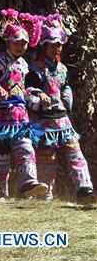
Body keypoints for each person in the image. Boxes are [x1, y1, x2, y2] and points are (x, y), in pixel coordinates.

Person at [26, 13, 96, 204]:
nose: (57, 47)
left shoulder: (63, 69)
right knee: (47, 161)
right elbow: (28, 91)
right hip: (44, 122)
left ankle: (84, 190)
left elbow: (64, 86)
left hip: (63, 121)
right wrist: (39, 96)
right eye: (52, 44)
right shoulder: (34, 69)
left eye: (59, 44)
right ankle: (44, 197)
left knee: (76, 153)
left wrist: (67, 94)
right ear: (44, 45)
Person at [0, 9, 48, 200]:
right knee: (0, 156)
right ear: (8, 41)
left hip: (21, 117)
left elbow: (24, 88)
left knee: (25, 148)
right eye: (17, 42)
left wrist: (38, 94)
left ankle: (28, 183)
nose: (21, 46)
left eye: (24, 43)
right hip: (0, 116)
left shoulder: (24, 65)